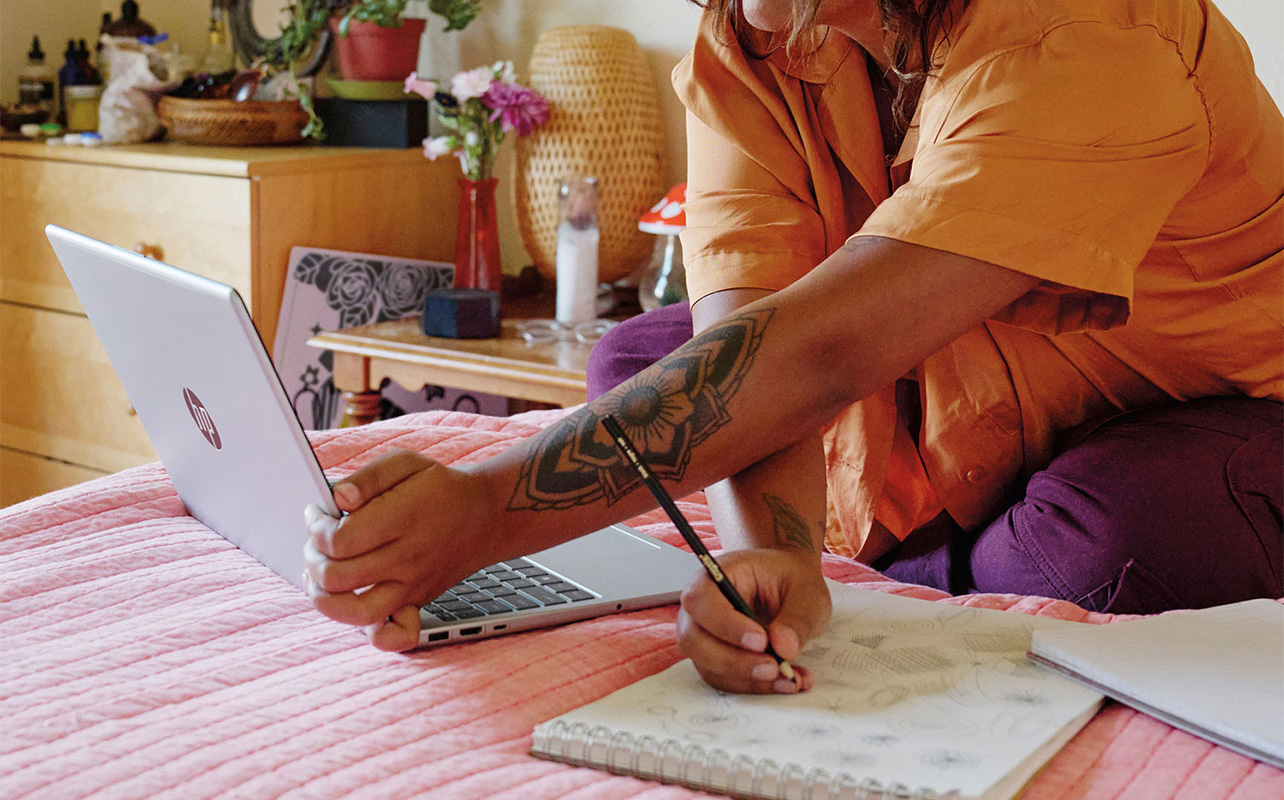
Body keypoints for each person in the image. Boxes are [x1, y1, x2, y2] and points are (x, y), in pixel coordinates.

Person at [303, 0, 1283, 696]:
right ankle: (941, 555)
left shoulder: (1086, 29)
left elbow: (816, 357)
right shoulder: (751, 34)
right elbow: (747, 328)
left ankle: (947, 566)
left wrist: (487, 507)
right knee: (640, 359)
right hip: (941, 361)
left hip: (1213, 413)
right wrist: (775, 561)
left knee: (1105, 538)